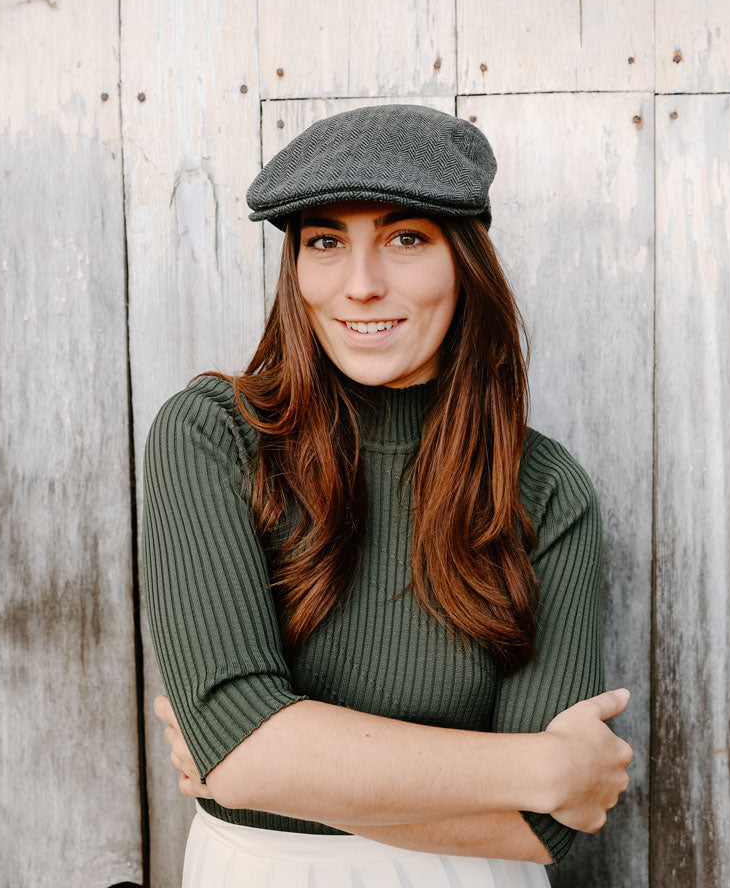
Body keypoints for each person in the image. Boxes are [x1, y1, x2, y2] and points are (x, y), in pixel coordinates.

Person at [143, 103, 633, 888]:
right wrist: (541, 765)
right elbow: (243, 751)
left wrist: (268, 764)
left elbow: (547, 828)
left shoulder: (541, 489)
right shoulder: (213, 437)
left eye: (406, 238)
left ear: (464, 260)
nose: (362, 286)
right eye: (326, 242)